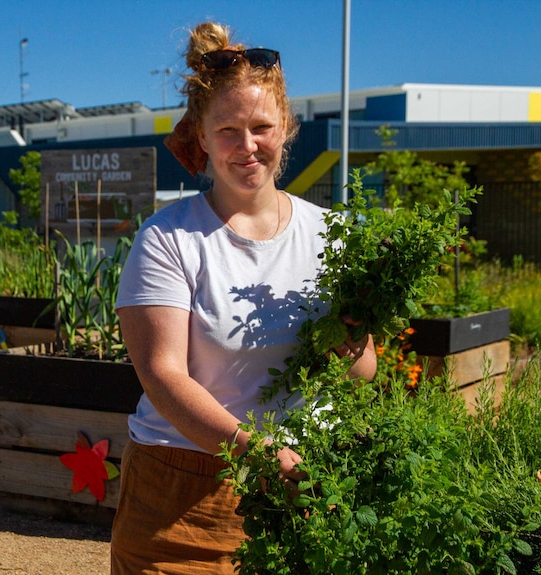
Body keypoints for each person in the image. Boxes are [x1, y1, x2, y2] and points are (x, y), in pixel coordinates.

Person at [110, 21, 377, 575]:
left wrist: (350, 342)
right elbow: (163, 375)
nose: (248, 145)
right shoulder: (169, 238)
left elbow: (363, 370)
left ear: (287, 129)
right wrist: (258, 455)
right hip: (183, 496)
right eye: (228, 129)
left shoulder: (333, 235)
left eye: (261, 126)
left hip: (306, 483)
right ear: (201, 136)